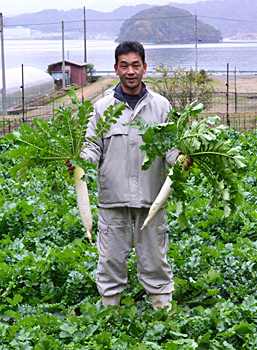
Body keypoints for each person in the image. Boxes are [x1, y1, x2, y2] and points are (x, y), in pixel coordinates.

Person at [67, 41, 191, 310]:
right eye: (124, 66)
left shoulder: (161, 106)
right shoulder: (101, 109)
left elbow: (170, 149)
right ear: (116, 69)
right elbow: (92, 148)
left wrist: (182, 159)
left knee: (156, 260)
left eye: (136, 65)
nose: (130, 71)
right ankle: (110, 312)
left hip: (151, 199)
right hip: (113, 200)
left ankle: (163, 312)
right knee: (110, 260)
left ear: (145, 68)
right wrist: (79, 162)